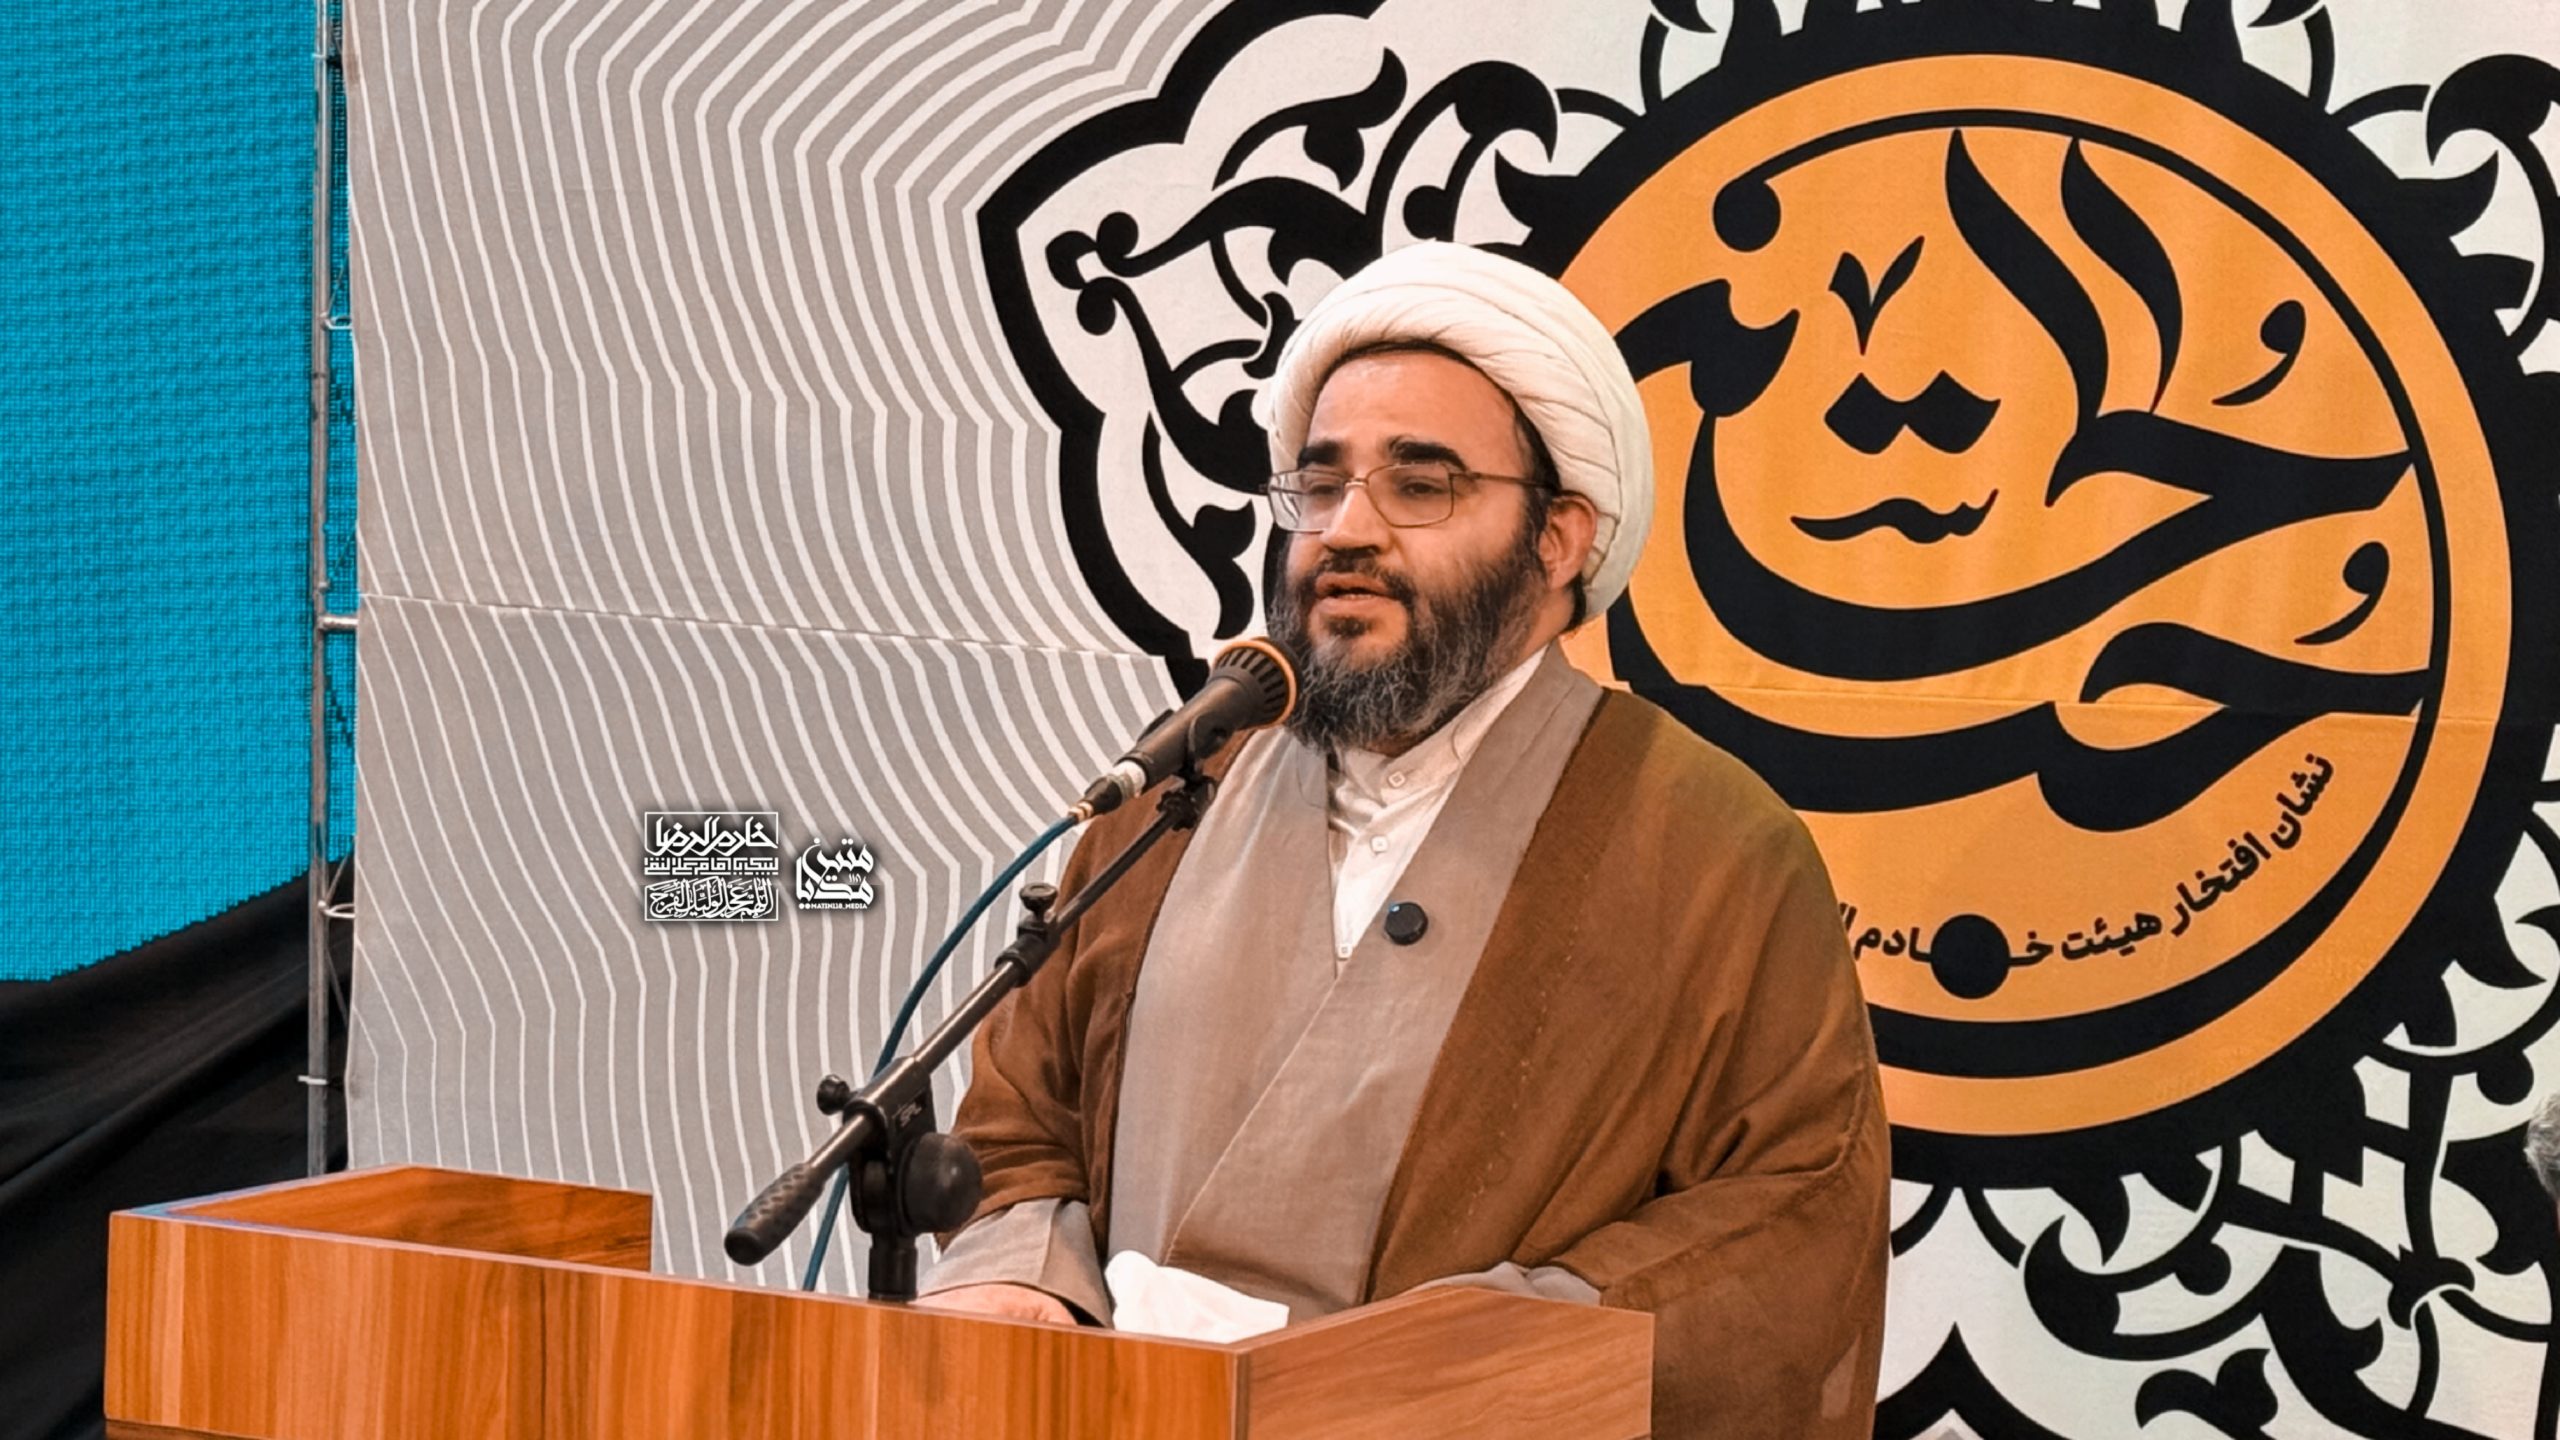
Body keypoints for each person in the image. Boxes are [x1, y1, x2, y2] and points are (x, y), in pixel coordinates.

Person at [914, 242, 1890, 1437]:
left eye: (1419, 485)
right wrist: (1019, 1276)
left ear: (1559, 538)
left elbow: (1789, 1214)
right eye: (1320, 486)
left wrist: (1468, 1369)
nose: (1346, 530)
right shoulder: (1175, 791)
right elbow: (1022, 1113)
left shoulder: (1709, 846)